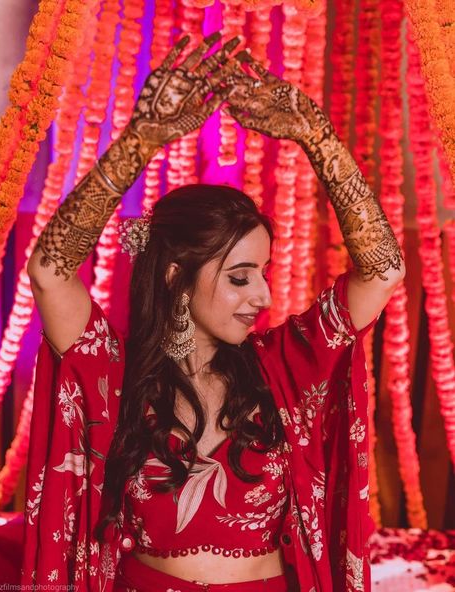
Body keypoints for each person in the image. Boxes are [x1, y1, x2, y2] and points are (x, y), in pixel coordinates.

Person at [22, 31, 405, 592]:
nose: (265, 298)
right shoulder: (116, 374)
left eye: (265, 274)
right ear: (176, 272)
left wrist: (315, 135)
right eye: (240, 276)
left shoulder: (285, 366)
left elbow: (384, 269)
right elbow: (50, 270)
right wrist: (140, 140)